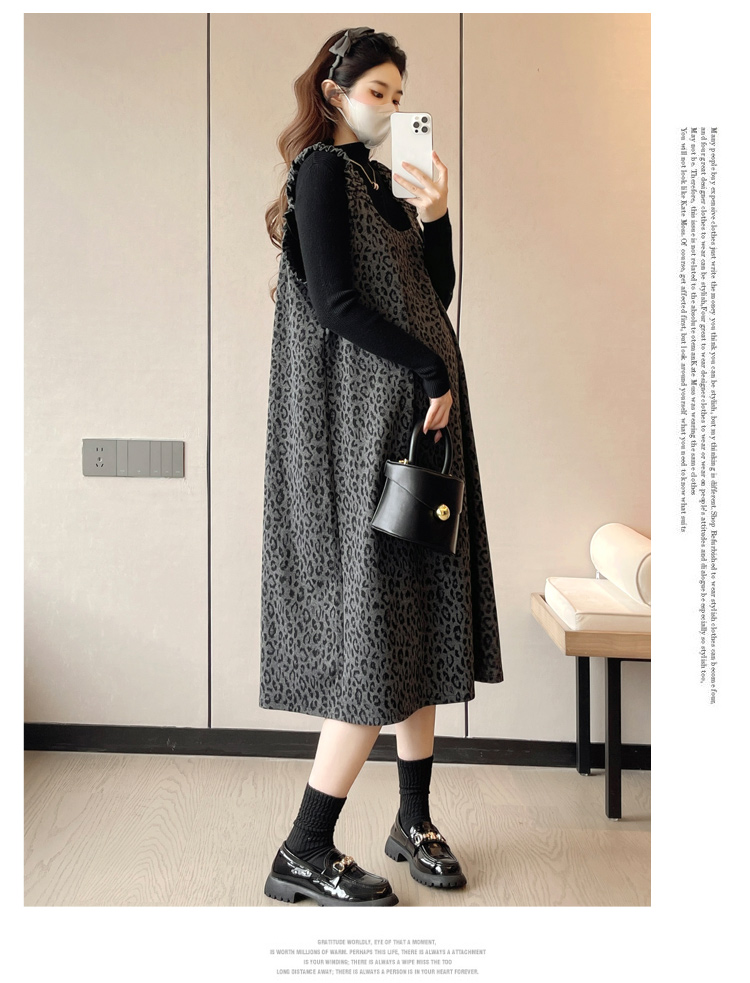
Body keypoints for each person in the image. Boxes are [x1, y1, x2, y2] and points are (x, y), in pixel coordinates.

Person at [260, 27, 504, 907]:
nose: (392, 109)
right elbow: (335, 302)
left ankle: (413, 820)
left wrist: (436, 216)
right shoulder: (324, 172)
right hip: (365, 429)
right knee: (374, 627)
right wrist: (432, 370)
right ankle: (303, 847)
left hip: (415, 425)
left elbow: (432, 294)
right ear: (334, 92)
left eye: (400, 97)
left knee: (418, 612)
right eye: (378, 93)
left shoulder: (377, 178)